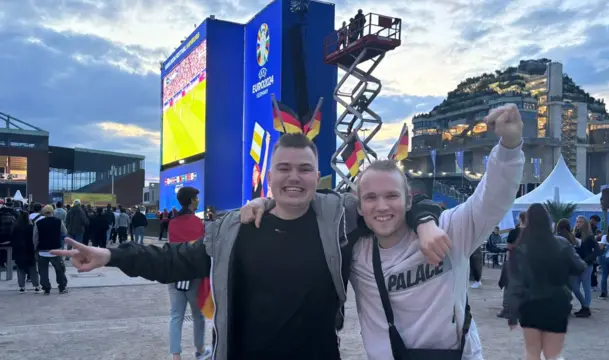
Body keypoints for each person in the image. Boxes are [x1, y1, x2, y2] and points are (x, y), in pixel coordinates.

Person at [52, 133, 439, 360]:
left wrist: (425, 223)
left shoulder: (341, 217)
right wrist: (112, 255)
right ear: (268, 176)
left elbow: (399, 199)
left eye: (304, 169)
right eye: (284, 168)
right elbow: (177, 260)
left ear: (316, 176)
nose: (294, 177)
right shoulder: (235, 228)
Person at [243, 102, 525, 360]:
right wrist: (267, 203)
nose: (382, 207)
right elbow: (307, 205)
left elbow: (492, 200)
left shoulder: (449, 230)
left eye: (391, 196)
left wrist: (510, 147)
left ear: (408, 200)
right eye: (371, 198)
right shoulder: (354, 252)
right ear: (360, 207)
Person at [507, 204, 586, 360]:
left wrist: (512, 314)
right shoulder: (562, 243)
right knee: (553, 354)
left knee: (531, 352)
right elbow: (580, 267)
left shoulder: (521, 248)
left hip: (529, 304)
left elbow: (515, 283)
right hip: (557, 302)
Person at [166, 186, 211, 360]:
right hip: (194, 274)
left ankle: (176, 355)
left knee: (176, 315)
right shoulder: (198, 223)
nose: (198, 200)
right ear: (192, 200)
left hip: (175, 273)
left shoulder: (173, 222)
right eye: (196, 198)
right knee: (197, 314)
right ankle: (200, 349)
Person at [497, 212, 526, 319]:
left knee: (509, 287)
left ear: (519, 219)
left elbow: (509, 247)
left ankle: (507, 310)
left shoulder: (514, 232)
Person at [34, 205, 69, 294]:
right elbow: (64, 232)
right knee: (60, 270)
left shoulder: (38, 223)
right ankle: (62, 287)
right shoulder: (58, 222)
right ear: (52, 212)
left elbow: (35, 237)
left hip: (42, 251)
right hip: (56, 250)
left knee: (43, 271)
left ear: (43, 213)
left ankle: (46, 288)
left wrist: (35, 248)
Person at [571, 215, 598, 318]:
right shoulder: (573, 235)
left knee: (586, 287)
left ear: (585, 224)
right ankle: (584, 306)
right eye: (577, 222)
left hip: (586, 265)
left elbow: (597, 250)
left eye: (580, 222)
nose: (578, 224)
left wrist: (587, 259)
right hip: (576, 265)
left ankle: (586, 307)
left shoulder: (590, 236)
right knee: (575, 287)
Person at [10, 207, 40, 293]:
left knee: (21, 269)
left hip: (19, 251)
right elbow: (35, 238)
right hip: (29, 250)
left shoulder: (15, 228)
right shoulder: (31, 227)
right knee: (33, 268)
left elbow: (12, 239)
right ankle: (36, 286)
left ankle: (22, 287)